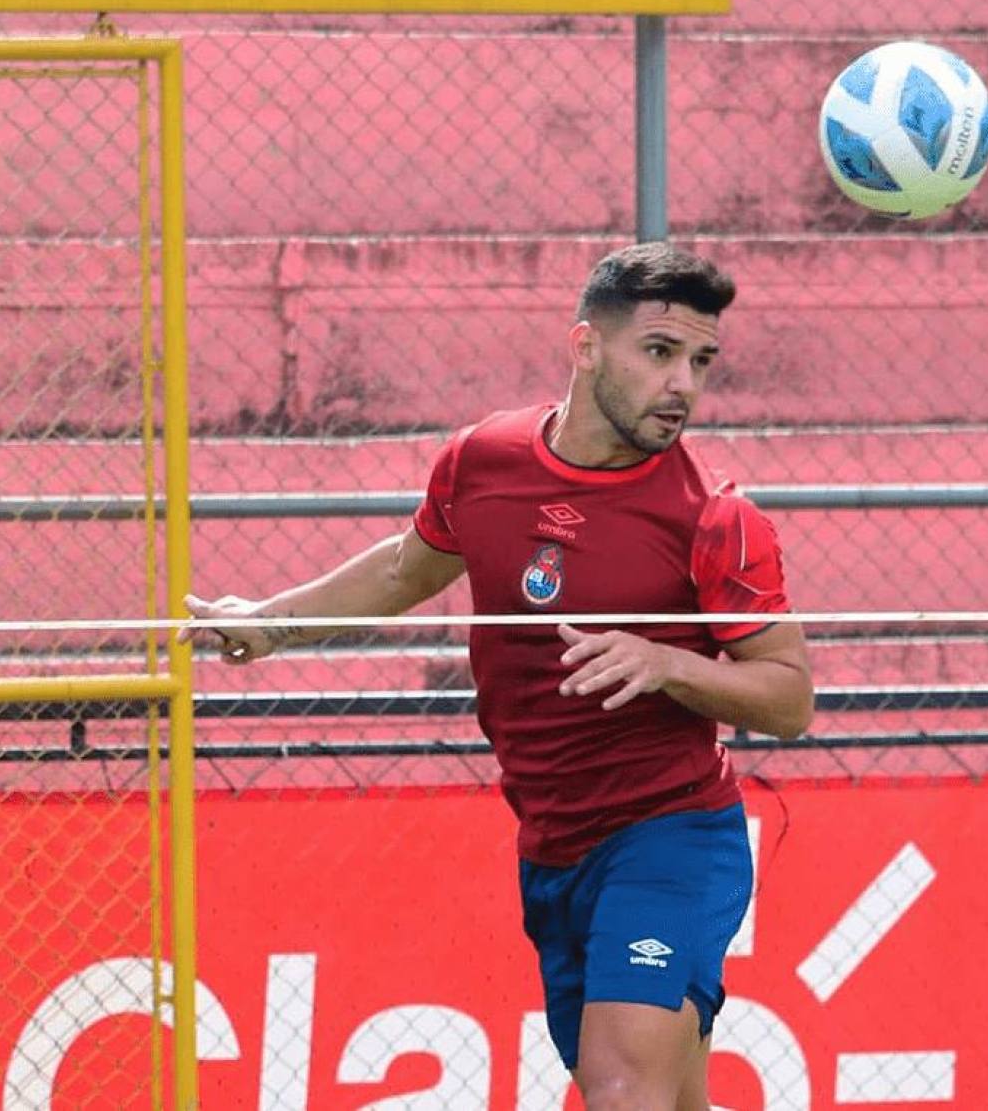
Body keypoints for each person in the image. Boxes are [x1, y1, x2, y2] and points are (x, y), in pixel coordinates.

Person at [186, 242, 814, 1109]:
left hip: (673, 836)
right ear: (586, 345)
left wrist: (665, 662)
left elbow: (789, 697)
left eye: (700, 361)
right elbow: (405, 570)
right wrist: (270, 624)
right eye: (660, 352)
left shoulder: (715, 515)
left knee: (622, 1088)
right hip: (554, 845)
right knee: (670, 1099)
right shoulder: (483, 460)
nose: (683, 384)